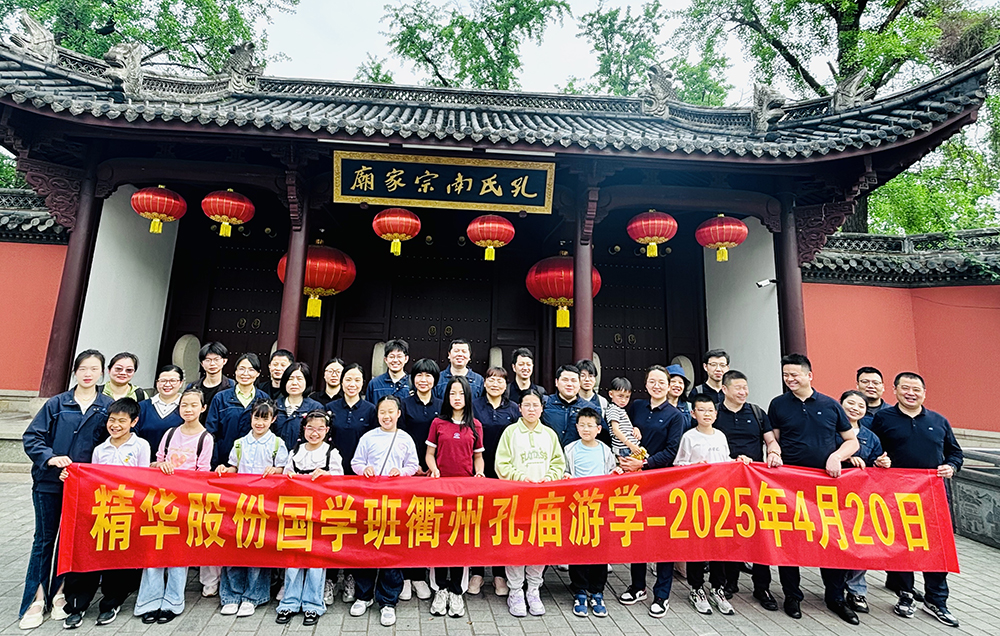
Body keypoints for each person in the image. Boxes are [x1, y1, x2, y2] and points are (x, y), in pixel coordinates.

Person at [21, 350, 111, 629]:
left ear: (101, 373)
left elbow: (111, 445)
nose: (88, 374)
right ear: (75, 371)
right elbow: (32, 437)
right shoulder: (57, 403)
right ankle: (36, 599)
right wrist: (51, 458)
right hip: (48, 482)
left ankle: (60, 593)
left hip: (83, 486)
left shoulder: (106, 406)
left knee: (70, 540)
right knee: (44, 539)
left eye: (94, 369)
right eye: (83, 368)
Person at [767, 353, 860, 624]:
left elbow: (851, 441)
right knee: (790, 539)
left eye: (795, 374)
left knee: (830, 539)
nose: (790, 379)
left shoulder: (830, 405)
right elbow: (774, 440)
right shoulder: (778, 404)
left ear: (809, 375)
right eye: (786, 375)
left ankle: (836, 597)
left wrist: (836, 457)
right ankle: (792, 595)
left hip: (825, 485)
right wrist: (773, 452)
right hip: (790, 484)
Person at [870, 372, 963, 628]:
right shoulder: (883, 419)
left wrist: (951, 466)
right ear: (895, 390)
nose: (911, 393)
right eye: (905, 388)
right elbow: (871, 448)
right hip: (895, 495)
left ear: (924, 392)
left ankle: (936, 600)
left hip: (932, 495)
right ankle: (905, 594)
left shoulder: (938, 421)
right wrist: (879, 460)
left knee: (936, 547)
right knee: (902, 546)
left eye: (916, 389)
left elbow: (955, 453)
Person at [58, 397, 146, 629]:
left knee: (118, 557)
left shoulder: (141, 446)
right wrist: (71, 475)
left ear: (134, 422)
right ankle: (77, 605)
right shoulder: (100, 449)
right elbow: (91, 478)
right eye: (112, 420)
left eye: (122, 421)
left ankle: (111, 603)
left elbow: (144, 479)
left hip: (126, 509)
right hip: (101, 509)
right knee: (91, 553)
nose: (115, 425)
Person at [135, 387, 214, 624]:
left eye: (193, 405)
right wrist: (160, 466)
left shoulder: (205, 438)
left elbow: (203, 473)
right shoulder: (169, 433)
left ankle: (173, 602)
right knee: (155, 549)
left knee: (178, 554)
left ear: (203, 408)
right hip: (161, 500)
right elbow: (156, 463)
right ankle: (149, 601)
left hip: (185, 503)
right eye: (184, 405)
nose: (188, 409)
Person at [617, 365, 688, 618]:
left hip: (661, 483)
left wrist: (644, 464)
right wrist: (623, 460)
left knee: (662, 538)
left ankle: (662, 593)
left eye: (661, 382)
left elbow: (671, 451)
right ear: (646, 384)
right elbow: (621, 433)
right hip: (635, 482)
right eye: (652, 382)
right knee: (637, 534)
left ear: (669, 386)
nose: (657, 386)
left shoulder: (675, 416)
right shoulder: (636, 407)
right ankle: (638, 586)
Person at [675, 394, 751, 617]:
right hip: (698, 499)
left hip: (720, 499)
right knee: (698, 545)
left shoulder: (720, 436)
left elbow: (726, 462)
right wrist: (693, 467)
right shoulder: (689, 437)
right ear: (693, 413)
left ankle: (717, 587)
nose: (706, 414)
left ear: (716, 414)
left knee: (720, 545)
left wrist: (739, 461)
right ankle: (696, 588)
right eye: (701, 410)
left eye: (710, 410)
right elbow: (679, 465)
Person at [349, 395, 419, 627]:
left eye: (390, 412)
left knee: (390, 549)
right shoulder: (368, 437)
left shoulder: (405, 438)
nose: (386, 416)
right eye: (382, 412)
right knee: (366, 547)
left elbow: (413, 465)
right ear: (377, 414)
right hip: (369, 501)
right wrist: (364, 469)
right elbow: (355, 462)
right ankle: (363, 595)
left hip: (396, 502)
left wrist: (402, 472)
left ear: (398, 413)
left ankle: (388, 600)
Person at [495, 389, 565, 618]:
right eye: (527, 405)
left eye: (536, 405)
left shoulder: (549, 434)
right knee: (516, 544)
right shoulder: (510, 433)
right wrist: (520, 479)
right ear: (520, 408)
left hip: (544, 499)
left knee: (539, 545)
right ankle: (515, 591)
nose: (532, 409)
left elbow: (558, 462)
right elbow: (501, 464)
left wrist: (550, 479)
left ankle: (533, 589)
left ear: (542, 408)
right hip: (517, 498)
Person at [715, 370, 782, 608]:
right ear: (725, 389)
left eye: (745, 387)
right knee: (729, 531)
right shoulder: (714, 413)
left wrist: (774, 452)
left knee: (760, 534)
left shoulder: (756, 412)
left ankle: (762, 587)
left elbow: (771, 440)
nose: (743, 392)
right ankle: (729, 582)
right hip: (724, 482)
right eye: (738, 388)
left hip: (755, 482)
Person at [216, 400, 288, 617]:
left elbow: (285, 470)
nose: (260, 422)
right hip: (240, 503)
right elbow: (234, 467)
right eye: (257, 417)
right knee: (235, 547)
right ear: (251, 417)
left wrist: (276, 470)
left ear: (273, 419)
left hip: (265, 505)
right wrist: (225, 470)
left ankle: (253, 596)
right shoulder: (240, 443)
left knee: (258, 548)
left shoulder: (277, 444)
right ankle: (231, 595)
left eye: (265, 418)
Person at [426, 376, 485, 617]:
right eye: (452, 393)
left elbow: (478, 456)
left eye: (461, 393)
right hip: (440, 490)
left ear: (468, 396)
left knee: (460, 539)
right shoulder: (438, 423)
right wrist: (433, 469)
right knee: (440, 538)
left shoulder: (475, 425)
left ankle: (457, 590)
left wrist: (479, 472)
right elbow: (429, 454)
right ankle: (440, 588)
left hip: (465, 492)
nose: (457, 398)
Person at [276, 410, 342, 627]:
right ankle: (289, 602)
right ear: (303, 429)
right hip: (295, 512)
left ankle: (313, 604)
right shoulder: (295, 451)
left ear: (327, 430)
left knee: (316, 561)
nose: (315, 433)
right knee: (293, 559)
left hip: (320, 513)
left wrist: (327, 475)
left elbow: (341, 480)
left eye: (320, 428)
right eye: (310, 428)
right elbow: (284, 478)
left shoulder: (331, 453)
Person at [839, 390, 891, 616]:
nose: (855, 408)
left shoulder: (871, 437)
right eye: (850, 403)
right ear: (840, 405)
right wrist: (846, 456)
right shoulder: (831, 430)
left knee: (861, 543)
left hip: (861, 500)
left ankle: (856, 590)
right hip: (833, 498)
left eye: (861, 406)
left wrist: (882, 463)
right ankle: (836, 587)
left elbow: (877, 464)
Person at [563, 407, 618, 618]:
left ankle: (597, 591)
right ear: (577, 428)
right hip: (577, 507)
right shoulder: (570, 449)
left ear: (598, 429)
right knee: (578, 548)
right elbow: (565, 471)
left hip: (599, 508)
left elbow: (611, 473)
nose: (586, 429)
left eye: (590, 425)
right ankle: (579, 591)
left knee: (599, 550)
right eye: (582, 425)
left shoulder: (605, 450)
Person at [470, 366, 520, 596]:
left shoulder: (513, 409)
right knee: (478, 522)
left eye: (500, 380)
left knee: (501, 523)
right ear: (484, 382)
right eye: (491, 379)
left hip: (505, 474)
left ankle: (499, 573)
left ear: (506, 384)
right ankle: (477, 572)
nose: (495, 384)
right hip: (478, 471)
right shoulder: (474, 406)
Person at [397, 358, 441, 602]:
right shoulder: (403, 404)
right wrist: (413, 466)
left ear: (435, 380)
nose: (423, 380)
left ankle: (419, 575)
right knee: (407, 522)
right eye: (419, 375)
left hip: (433, 471)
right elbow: (401, 438)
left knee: (425, 523)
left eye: (428, 376)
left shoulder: (441, 405)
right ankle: (404, 576)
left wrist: (431, 466)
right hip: (409, 471)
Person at [206, 353, 268, 474]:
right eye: (241, 369)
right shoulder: (221, 398)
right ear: (235, 371)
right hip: (223, 461)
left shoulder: (264, 399)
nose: (245, 373)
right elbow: (211, 432)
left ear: (258, 373)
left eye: (251, 370)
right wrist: (214, 461)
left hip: (253, 463)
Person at [328, 363, 377, 477]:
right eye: (348, 380)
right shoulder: (330, 408)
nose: (352, 384)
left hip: (362, 470)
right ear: (341, 381)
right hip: (333, 468)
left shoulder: (371, 410)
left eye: (357, 380)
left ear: (363, 383)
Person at [542, 364, 601, 447]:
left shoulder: (591, 408)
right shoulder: (545, 404)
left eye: (573, 381)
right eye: (565, 380)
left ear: (579, 384)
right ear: (556, 382)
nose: (569, 384)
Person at [135, 365, 185, 456]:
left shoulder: (186, 407)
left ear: (181, 383)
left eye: (173, 381)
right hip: (144, 459)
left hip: (176, 461)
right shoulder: (142, 407)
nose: (167, 384)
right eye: (163, 380)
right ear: (157, 382)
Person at [273, 362, 324, 451]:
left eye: (299, 379)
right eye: (290, 379)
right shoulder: (274, 406)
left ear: (307, 382)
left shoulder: (315, 408)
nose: (294, 383)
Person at [186, 342, 233, 418]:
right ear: (202, 363)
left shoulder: (232, 386)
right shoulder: (192, 387)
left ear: (224, 361)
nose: (212, 364)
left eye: (216, 359)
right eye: (207, 360)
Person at [366, 339, 411, 403]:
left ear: (406, 359)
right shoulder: (374, 384)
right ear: (385, 359)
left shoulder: (412, 383)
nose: (395, 360)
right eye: (391, 357)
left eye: (399, 356)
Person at [606, 377, 641, 458]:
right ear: (611, 394)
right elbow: (615, 430)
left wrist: (634, 429)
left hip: (628, 447)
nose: (623, 400)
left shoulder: (619, 409)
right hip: (624, 448)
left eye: (627, 397)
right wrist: (630, 445)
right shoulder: (613, 409)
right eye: (620, 396)